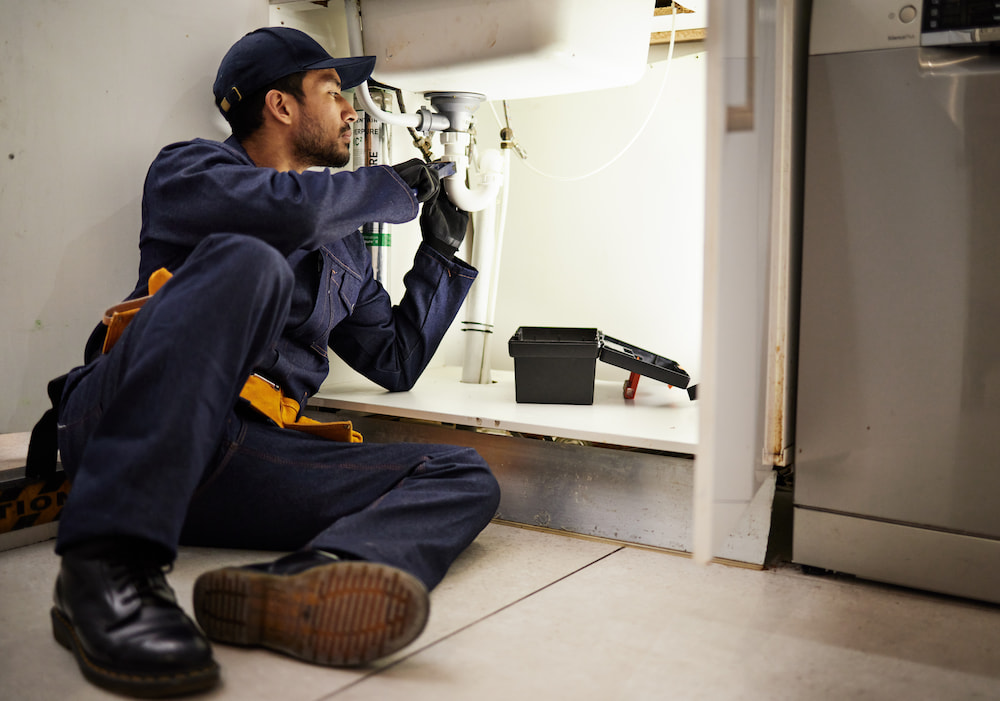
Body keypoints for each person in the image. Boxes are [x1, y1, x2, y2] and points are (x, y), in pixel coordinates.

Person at [45, 26, 501, 698]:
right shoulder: (190, 172)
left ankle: (308, 577)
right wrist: (386, 189)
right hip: (130, 430)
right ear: (281, 107)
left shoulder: (345, 251)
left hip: (243, 461)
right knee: (251, 260)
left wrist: (439, 254)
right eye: (331, 92)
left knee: (464, 472)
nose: (351, 109)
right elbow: (286, 216)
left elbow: (395, 360)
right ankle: (105, 565)